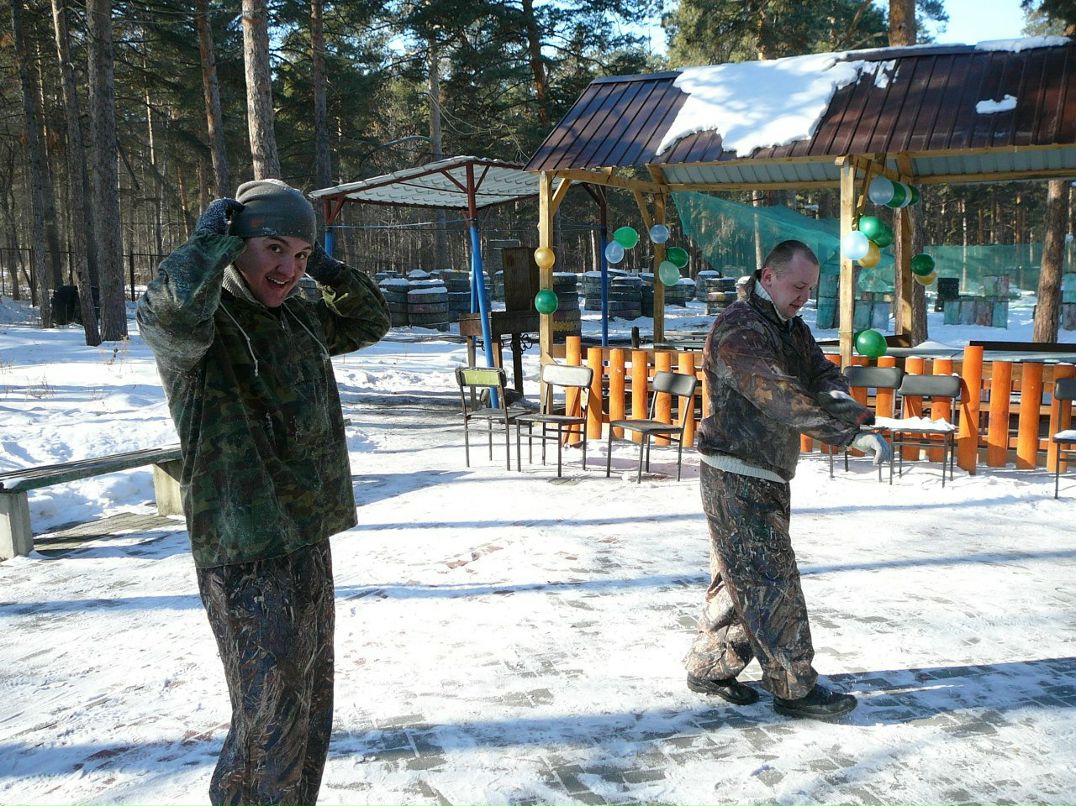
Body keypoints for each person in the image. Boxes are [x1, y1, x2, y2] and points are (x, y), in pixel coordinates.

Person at [137, 179, 390, 804]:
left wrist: (324, 264)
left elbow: (370, 318)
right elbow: (168, 313)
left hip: (305, 533)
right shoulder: (202, 324)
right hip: (242, 548)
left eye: (300, 255)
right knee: (266, 721)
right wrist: (209, 244)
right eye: (274, 248)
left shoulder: (301, 312)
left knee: (309, 708)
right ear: (235, 246)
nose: (288, 269)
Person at [684, 240, 890, 721]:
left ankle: (709, 667)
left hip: (766, 470)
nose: (804, 297)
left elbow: (820, 371)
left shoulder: (787, 326)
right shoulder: (740, 328)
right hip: (736, 472)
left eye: (809, 289)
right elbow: (774, 393)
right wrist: (845, 434)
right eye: (798, 286)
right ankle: (794, 687)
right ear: (769, 276)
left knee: (741, 576)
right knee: (772, 580)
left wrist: (840, 399)